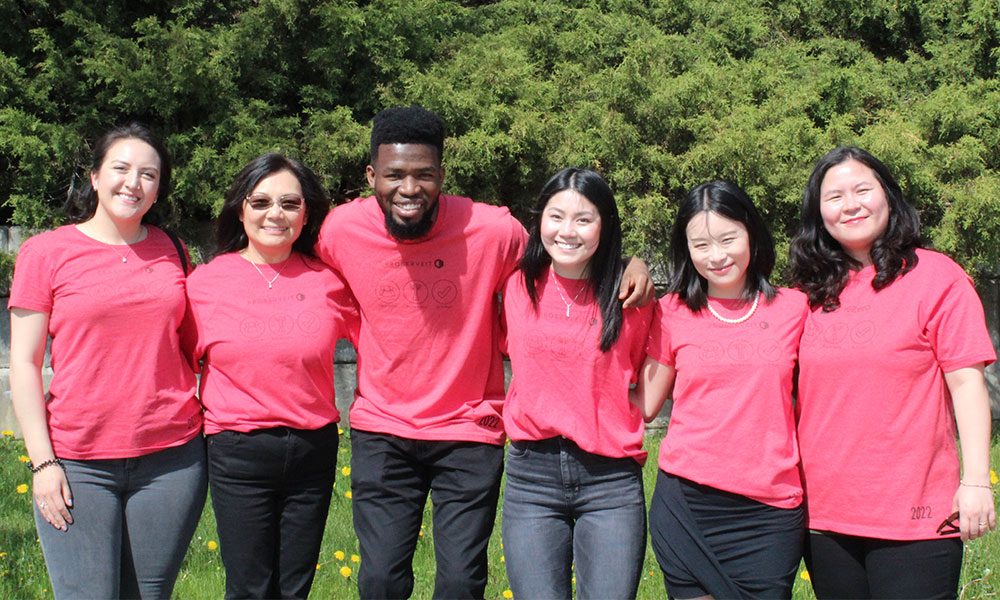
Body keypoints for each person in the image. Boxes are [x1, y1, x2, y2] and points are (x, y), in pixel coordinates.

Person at [315, 106, 653, 599]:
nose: (409, 188)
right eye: (394, 175)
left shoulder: (492, 230)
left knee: (461, 582)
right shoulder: (340, 230)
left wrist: (630, 262)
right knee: (380, 580)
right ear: (371, 176)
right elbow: (305, 272)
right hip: (382, 426)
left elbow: (564, 252)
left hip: (469, 427)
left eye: (423, 175)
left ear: (441, 176)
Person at [8, 123, 206, 599]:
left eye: (148, 175)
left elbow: (192, 349)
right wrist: (43, 463)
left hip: (171, 461)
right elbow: (24, 364)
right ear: (95, 177)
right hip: (78, 463)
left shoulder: (174, 252)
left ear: (158, 189)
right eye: (121, 168)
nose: (133, 183)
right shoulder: (46, 253)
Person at [789, 146, 997, 599]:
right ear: (818, 213)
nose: (850, 205)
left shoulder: (938, 278)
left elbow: (967, 383)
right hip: (823, 517)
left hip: (916, 516)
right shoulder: (805, 294)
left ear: (888, 196)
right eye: (834, 197)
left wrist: (977, 481)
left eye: (862, 190)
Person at [184, 154, 357, 599]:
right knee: (249, 589)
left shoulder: (331, 281)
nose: (274, 214)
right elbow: (178, 361)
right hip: (237, 451)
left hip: (313, 450)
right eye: (260, 202)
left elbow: (382, 345)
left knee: (294, 589)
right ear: (240, 211)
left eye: (289, 203)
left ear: (306, 214)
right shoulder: (203, 283)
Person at [633, 180, 808, 599]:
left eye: (728, 239)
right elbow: (645, 404)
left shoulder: (795, 308)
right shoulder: (670, 312)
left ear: (752, 234)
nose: (716, 256)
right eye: (701, 245)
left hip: (769, 512)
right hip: (687, 504)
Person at [499, 168, 653, 599]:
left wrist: (636, 263)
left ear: (605, 225)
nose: (567, 231)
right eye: (556, 216)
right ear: (539, 221)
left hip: (610, 480)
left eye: (584, 219)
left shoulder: (631, 297)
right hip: (531, 476)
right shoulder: (516, 285)